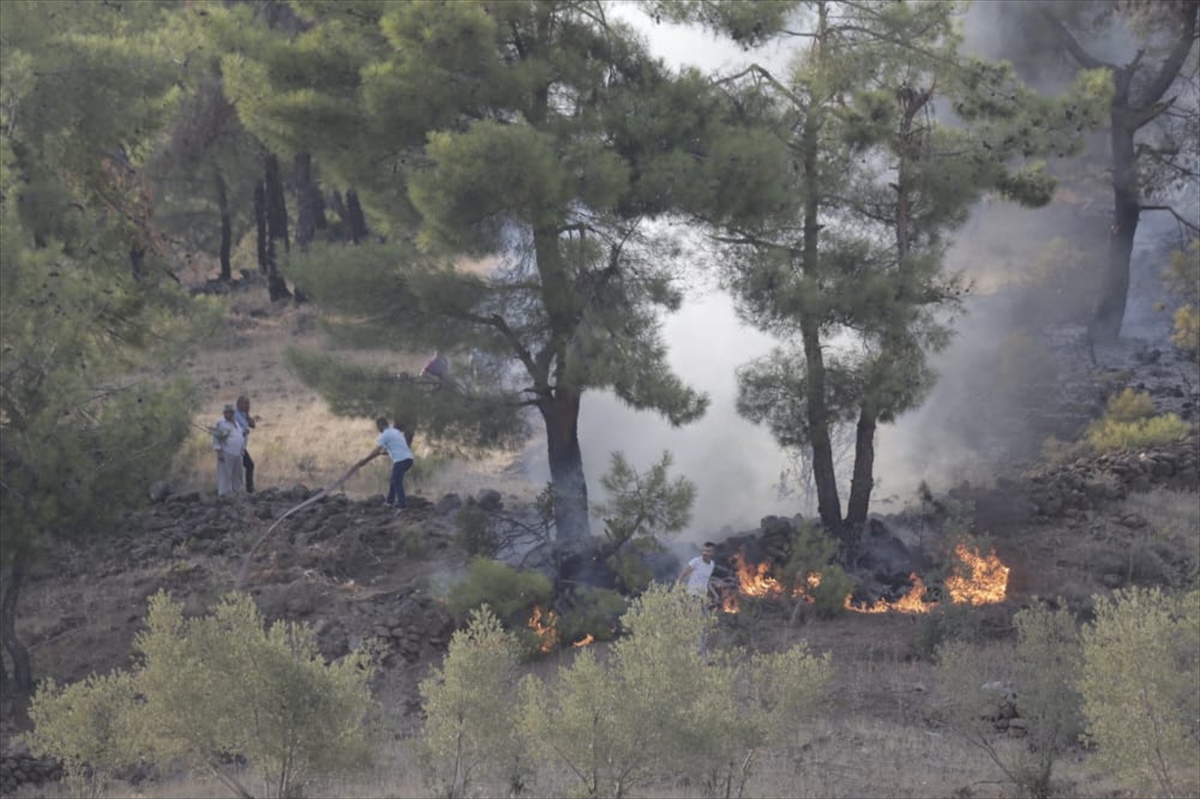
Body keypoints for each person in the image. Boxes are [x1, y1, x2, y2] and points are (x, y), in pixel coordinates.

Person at [375, 417, 415, 511]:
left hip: (401, 460)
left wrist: (365, 460)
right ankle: (389, 502)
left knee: (397, 482)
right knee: (394, 480)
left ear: (380, 426)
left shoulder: (385, 435)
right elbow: (396, 446)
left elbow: (377, 450)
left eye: (378, 427)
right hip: (409, 459)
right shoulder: (396, 432)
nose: (378, 429)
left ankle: (402, 506)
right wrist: (383, 453)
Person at [212, 404, 246, 497]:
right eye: (226, 412)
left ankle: (237, 493)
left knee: (237, 475)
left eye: (230, 412)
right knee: (225, 475)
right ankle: (224, 494)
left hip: (237, 453)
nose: (227, 414)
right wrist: (219, 452)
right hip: (226, 452)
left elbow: (240, 436)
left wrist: (242, 449)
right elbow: (216, 438)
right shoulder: (220, 423)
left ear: (233, 413)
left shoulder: (236, 423)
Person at [234, 394, 257, 494]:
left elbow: (253, 425)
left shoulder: (244, 415)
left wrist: (247, 414)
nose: (248, 405)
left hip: (242, 447)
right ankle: (248, 488)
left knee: (248, 466)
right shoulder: (234, 415)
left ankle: (248, 488)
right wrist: (242, 431)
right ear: (239, 404)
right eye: (246, 403)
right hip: (235, 447)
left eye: (249, 403)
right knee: (249, 465)